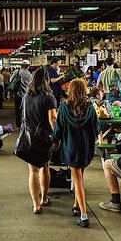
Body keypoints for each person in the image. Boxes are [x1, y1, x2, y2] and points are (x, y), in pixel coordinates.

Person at [52, 79, 101, 228]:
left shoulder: (64, 108)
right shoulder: (90, 108)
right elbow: (97, 128)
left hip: (71, 147)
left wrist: (55, 141)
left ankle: (84, 215)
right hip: (85, 147)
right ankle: (76, 204)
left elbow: (58, 128)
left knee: (77, 179)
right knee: (80, 176)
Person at [22, 67, 58, 214]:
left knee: (32, 171)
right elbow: (52, 119)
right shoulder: (49, 97)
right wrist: (56, 137)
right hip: (44, 138)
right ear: (46, 80)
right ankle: (44, 198)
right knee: (45, 168)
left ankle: (36, 205)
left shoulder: (26, 96)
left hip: (29, 137)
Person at [11, 61, 32, 129]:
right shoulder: (30, 75)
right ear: (28, 66)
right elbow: (31, 85)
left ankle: (18, 125)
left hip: (18, 94)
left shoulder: (17, 72)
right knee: (26, 110)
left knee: (17, 110)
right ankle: (25, 124)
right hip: (26, 95)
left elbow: (11, 79)